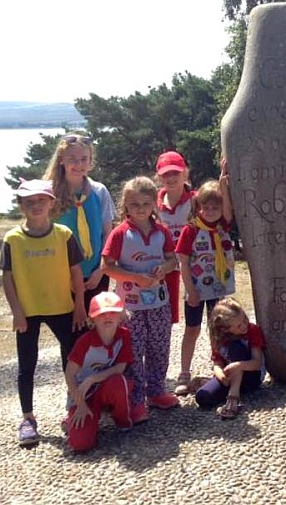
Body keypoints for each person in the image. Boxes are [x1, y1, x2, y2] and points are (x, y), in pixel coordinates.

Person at [0, 179, 86, 447]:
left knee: (71, 361)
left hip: (63, 307)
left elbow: (76, 272)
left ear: (51, 203)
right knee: (27, 366)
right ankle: (27, 417)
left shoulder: (64, 235)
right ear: (21, 206)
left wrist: (80, 304)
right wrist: (16, 311)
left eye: (40, 200)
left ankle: (72, 407)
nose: (35, 206)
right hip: (29, 311)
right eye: (29, 202)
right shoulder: (12, 239)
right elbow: (8, 278)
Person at [102, 176, 179, 423]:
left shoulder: (162, 231)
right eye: (134, 204)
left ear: (153, 204)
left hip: (158, 302)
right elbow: (107, 267)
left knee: (159, 348)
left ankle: (156, 392)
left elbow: (172, 260)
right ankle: (135, 401)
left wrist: (163, 269)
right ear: (125, 205)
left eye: (145, 203)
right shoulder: (120, 234)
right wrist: (135, 277)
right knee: (133, 353)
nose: (140, 208)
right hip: (130, 306)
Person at [174, 171, 235, 397]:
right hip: (197, 290)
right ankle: (184, 372)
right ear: (198, 206)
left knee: (218, 330)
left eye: (215, 208)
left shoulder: (223, 226)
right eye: (205, 207)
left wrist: (222, 184)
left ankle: (218, 366)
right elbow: (182, 261)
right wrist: (190, 290)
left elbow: (228, 209)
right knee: (192, 329)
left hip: (218, 288)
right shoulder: (190, 230)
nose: (210, 212)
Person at [43, 133, 116, 320]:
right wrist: (66, 277)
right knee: (70, 333)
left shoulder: (99, 191)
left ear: (91, 161)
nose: (79, 164)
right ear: (61, 160)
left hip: (95, 273)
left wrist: (101, 270)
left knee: (95, 327)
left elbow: (107, 234)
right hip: (62, 275)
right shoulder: (50, 193)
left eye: (84, 159)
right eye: (72, 159)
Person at [64, 292, 133, 452]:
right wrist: (80, 405)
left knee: (119, 382)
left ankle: (122, 419)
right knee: (80, 445)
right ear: (92, 319)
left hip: (104, 386)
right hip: (83, 394)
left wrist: (92, 379)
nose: (107, 317)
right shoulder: (85, 341)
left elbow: (121, 367)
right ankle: (74, 418)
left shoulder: (124, 335)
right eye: (101, 314)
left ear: (121, 316)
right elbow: (69, 374)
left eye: (112, 313)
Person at [195, 297, 265, 419]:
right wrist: (220, 375)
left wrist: (238, 365)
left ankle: (233, 398)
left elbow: (257, 363)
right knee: (202, 397)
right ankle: (220, 386)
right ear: (224, 329)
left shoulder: (252, 330)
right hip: (230, 377)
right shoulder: (218, 337)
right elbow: (217, 363)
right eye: (239, 325)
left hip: (251, 375)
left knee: (236, 347)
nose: (244, 326)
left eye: (245, 320)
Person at [155, 150, 196, 326]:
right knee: (167, 315)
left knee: (196, 313)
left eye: (175, 173)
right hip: (166, 263)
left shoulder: (196, 199)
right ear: (159, 177)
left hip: (194, 262)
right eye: (166, 174)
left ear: (185, 172)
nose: (171, 178)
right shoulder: (153, 203)